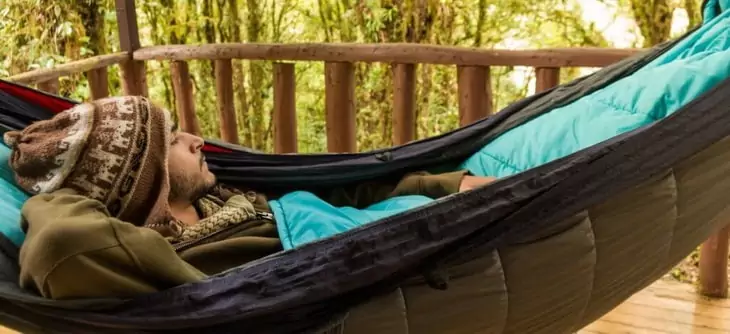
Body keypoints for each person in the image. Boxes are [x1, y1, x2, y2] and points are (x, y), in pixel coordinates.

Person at [3, 96, 496, 300]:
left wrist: (444, 185)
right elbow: (61, 243)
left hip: (442, 215)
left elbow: (340, 194)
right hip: (433, 260)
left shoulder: (225, 199)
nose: (196, 139)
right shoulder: (172, 256)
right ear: (143, 180)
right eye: (173, 140)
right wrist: (54, 193)